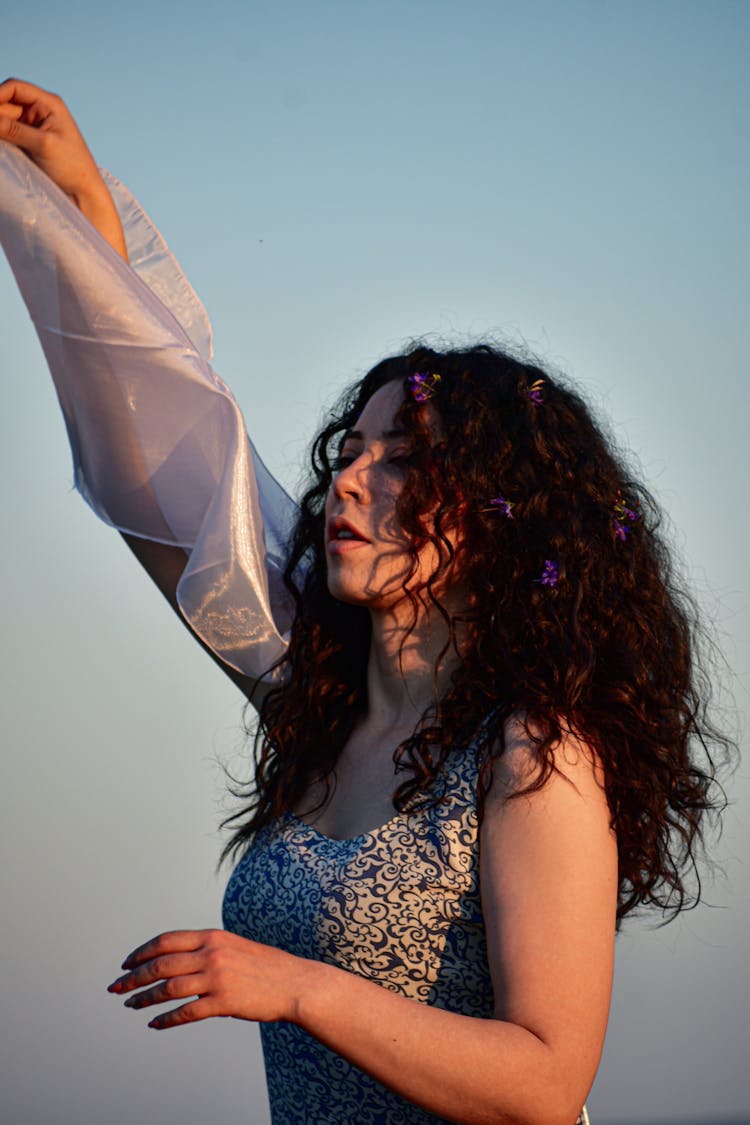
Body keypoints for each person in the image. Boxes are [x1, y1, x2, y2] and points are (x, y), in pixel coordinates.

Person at [0, 80, 731, 1125]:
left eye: (403, 463)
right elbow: (168, 474)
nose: (349, 480)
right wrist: (67, 203)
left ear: (497, 517)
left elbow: (547, 1078)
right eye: (350, 454)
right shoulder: (319, 702)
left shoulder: (532, 752)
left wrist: (297, 986)